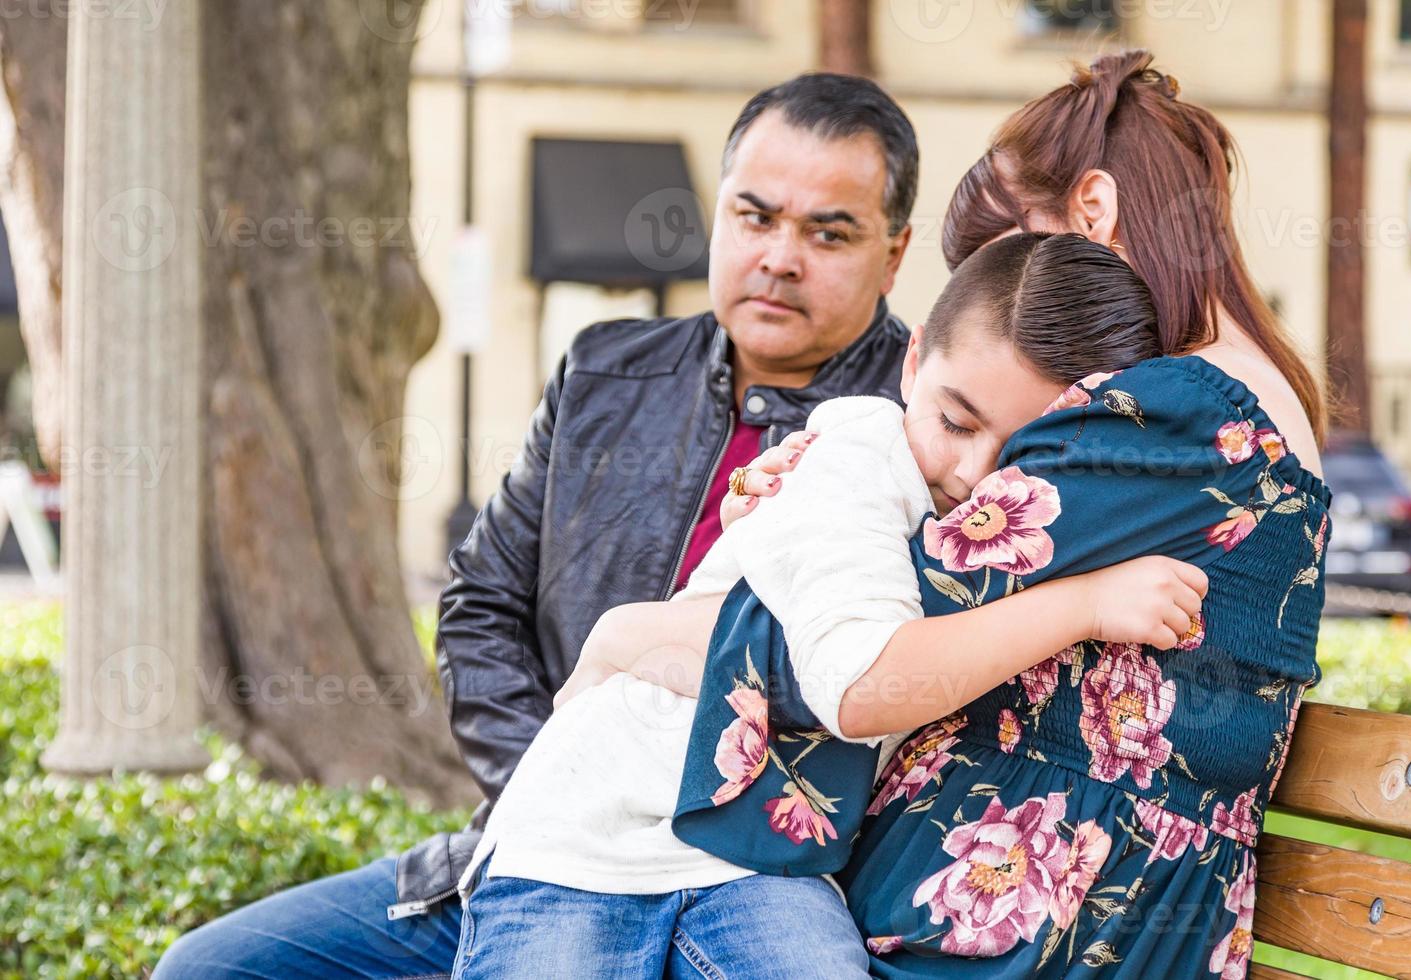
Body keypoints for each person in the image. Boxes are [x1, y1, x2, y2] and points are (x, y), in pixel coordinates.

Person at [153, 71, 920, 979]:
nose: (780, 256)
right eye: (754, 217)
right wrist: (552, 798)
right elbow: (481, 602)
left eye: (828, 233)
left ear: (894, 253)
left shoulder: (918, 430)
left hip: (759, 875)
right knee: (212, 969)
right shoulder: (605, 371)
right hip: (542, 851)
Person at [668, 50, 1332, 976]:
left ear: (1092, 214)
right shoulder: (1221, 403)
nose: (1016, 318)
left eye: (1023, 260)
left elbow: (865, 642)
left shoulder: (1175, 412)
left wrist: (803, 515)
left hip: (1003, 936)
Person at [450, 232, 1206, 979]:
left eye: (1023, 453)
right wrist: (1089, 605)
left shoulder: (1034, 525)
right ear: (912, 364)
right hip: (593, 833)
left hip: (765, 860)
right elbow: (861, 684)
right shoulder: (853, 460)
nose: (976, 472)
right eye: (954, 421)